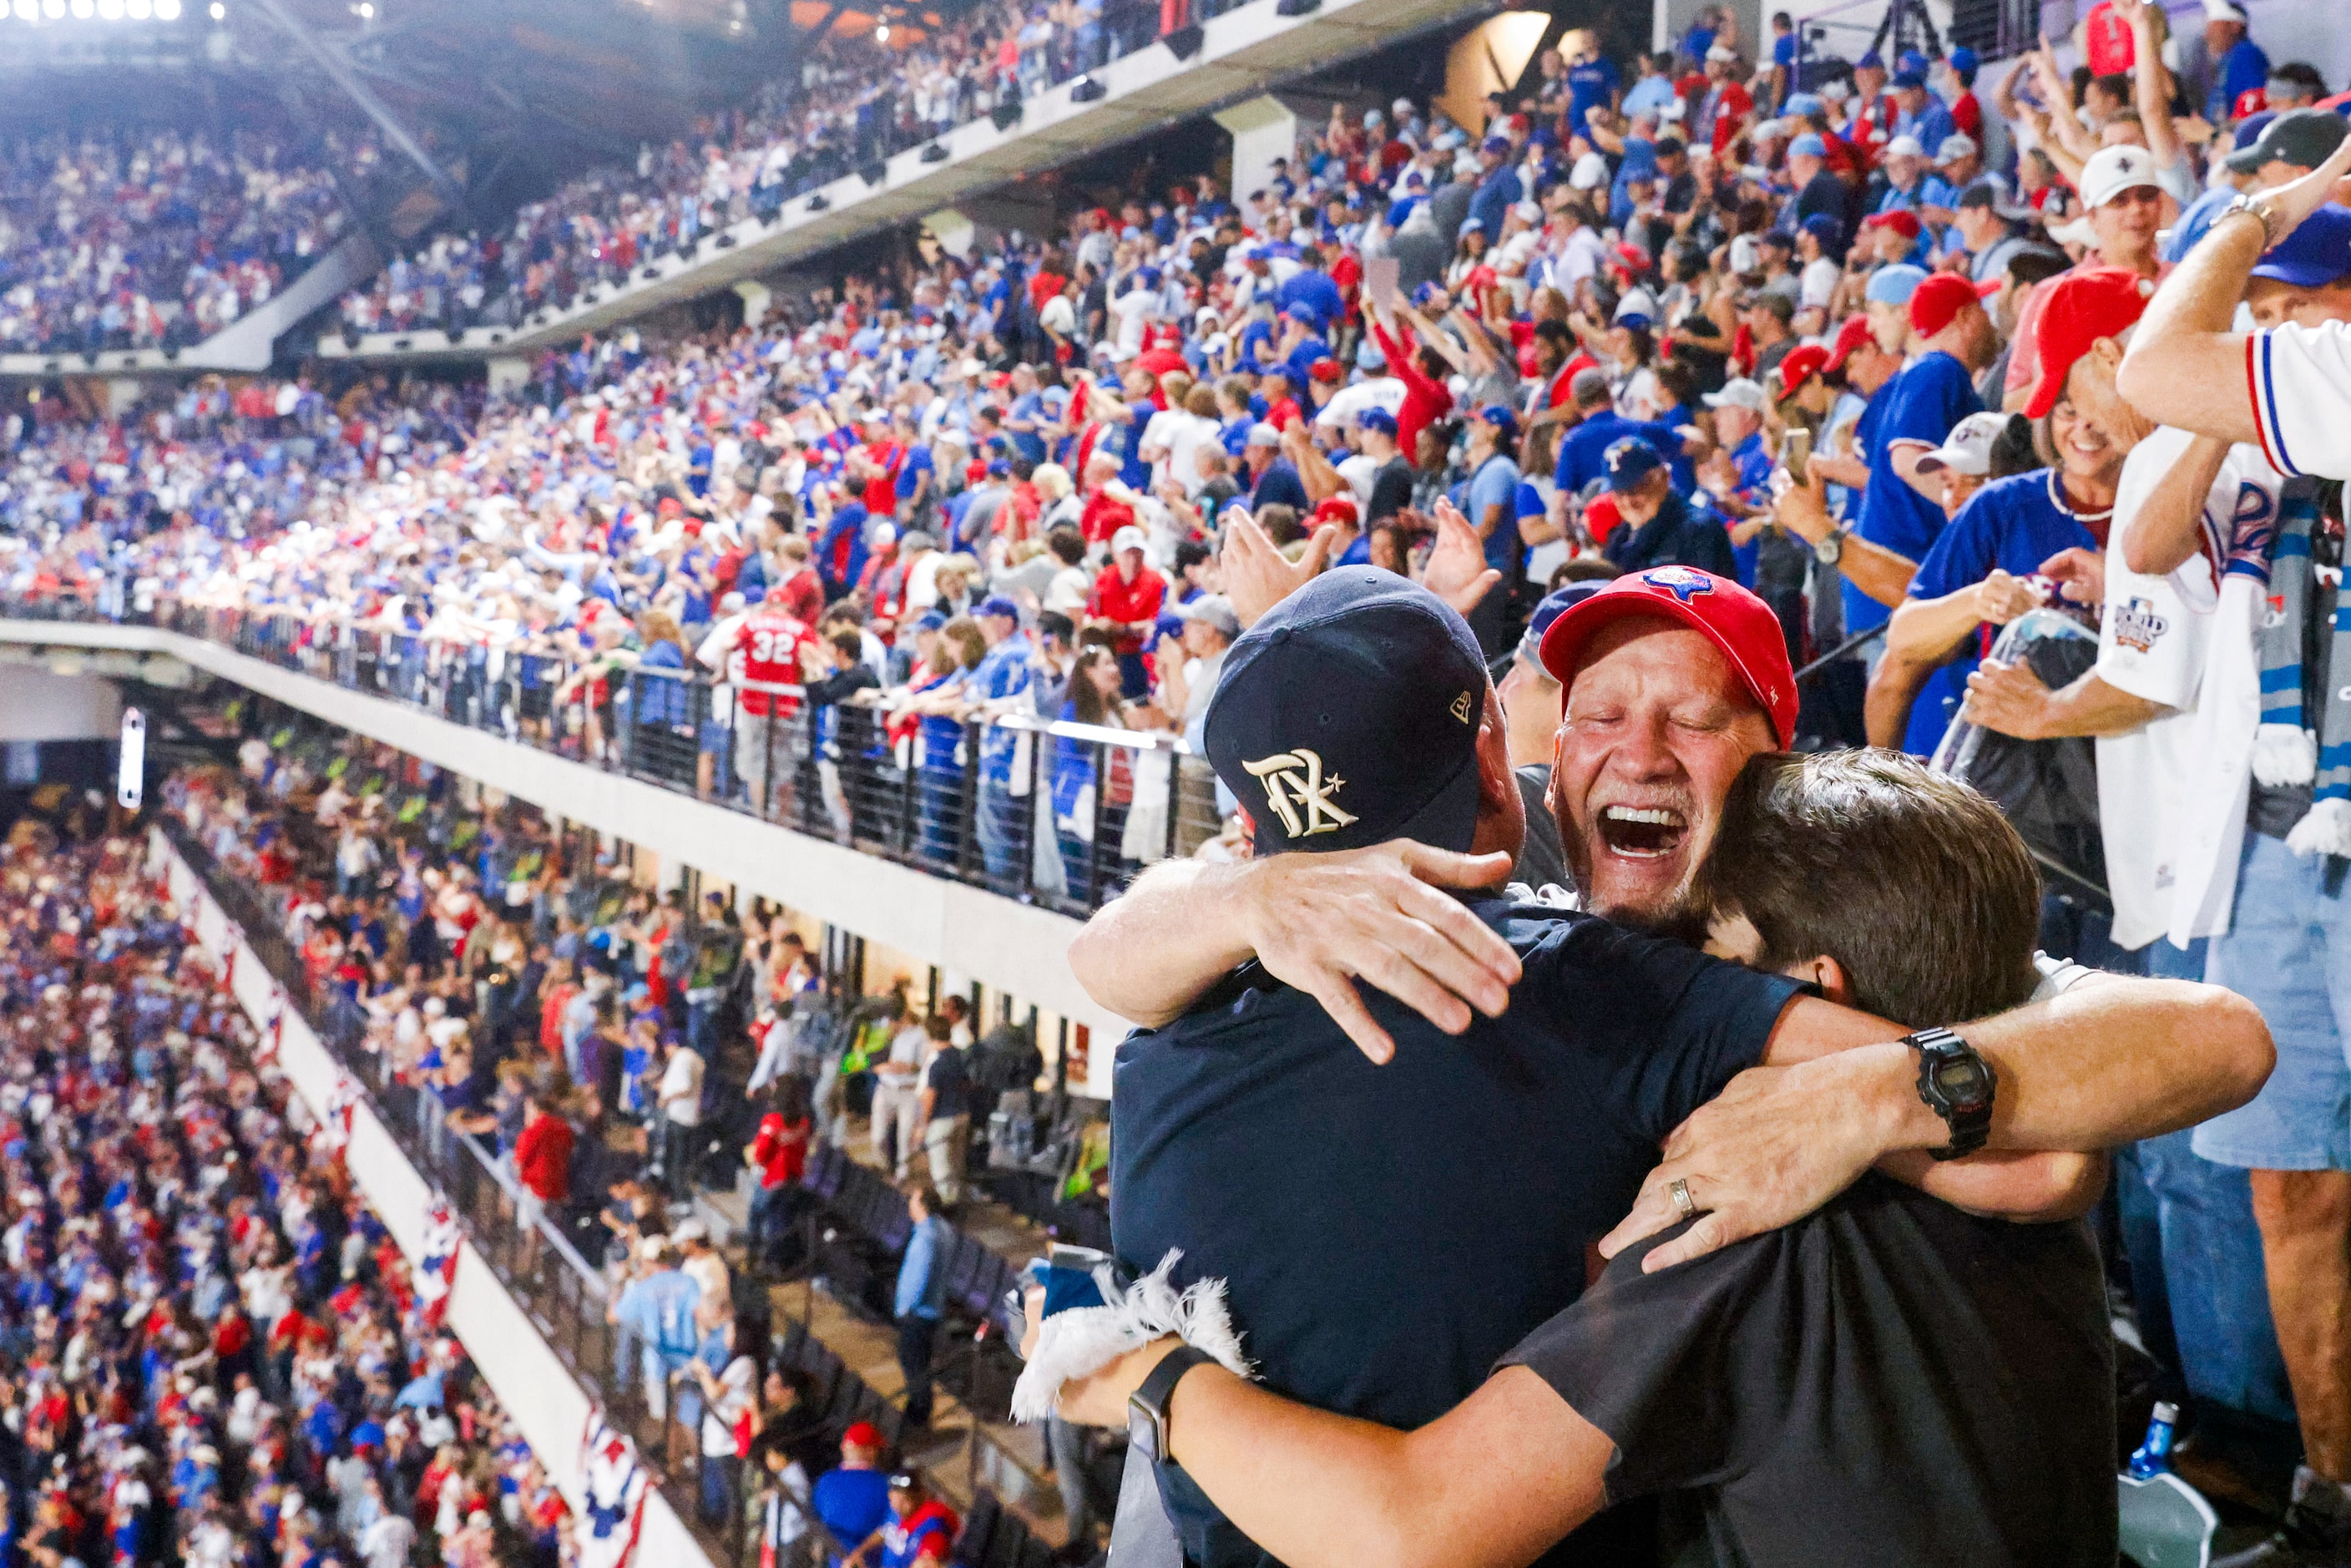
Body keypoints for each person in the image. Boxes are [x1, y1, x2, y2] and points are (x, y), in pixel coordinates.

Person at [1063, 567, 2268, 1564]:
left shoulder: (1837, 982)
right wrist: (1249, 890)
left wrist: (1866, 1091)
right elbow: (1110, 948)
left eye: (1692, 718)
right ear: (1525, 759)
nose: (1636, 752)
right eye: (1597, 714)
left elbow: (2166, 1072)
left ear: (1776, 770)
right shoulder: (1535, 885)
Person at [893, 1181, 949, 1429]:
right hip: (928, 1309)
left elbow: (920, 1276)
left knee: (913, 1361)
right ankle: (918, 1407)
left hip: (919, 1311)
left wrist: (906, 1308)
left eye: (913, 1201)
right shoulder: (941, 1230)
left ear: (923, 1206)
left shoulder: (927, 1237)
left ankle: (919, 1412)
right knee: (916, 1360)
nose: (909, 1206)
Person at [918, 1009, 976, 1205]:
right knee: (957, 1163)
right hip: (963, 1114)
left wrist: (922, 1126)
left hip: (942, 1119)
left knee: (941, 1168)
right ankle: (959, 1201)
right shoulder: (961, 1056)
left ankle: (947, 1204)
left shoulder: (937, 1063)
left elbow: (930, 1096)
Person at [812, 1424, 893, 1558]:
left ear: (844, 1448)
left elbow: (816, 1515)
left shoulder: (825, 1481)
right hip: (872, 1559)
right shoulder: (885, 1484)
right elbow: (892, 1524)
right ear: (871, 1451)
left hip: (834, 1557)